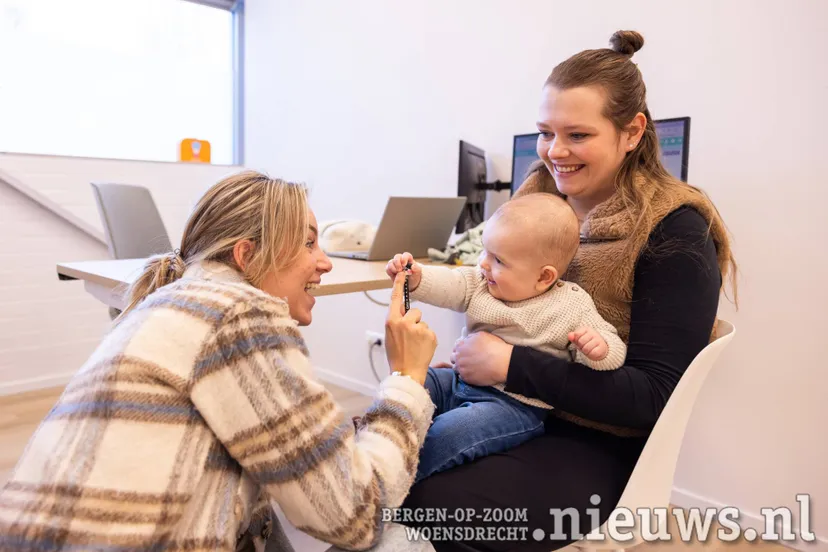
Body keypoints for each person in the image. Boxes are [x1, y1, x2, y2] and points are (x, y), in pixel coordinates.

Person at [398, 30, 738, 552]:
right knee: (386, 445)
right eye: (545, 133)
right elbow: (489, 292)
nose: (555, 152)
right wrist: (476, 362)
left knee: (429, 501)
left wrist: (510, 365)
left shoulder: (675, 231)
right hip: (502, 400)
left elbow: (653, 397)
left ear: (632, 132)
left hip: (598, 440)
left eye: (577, 135)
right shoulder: (536, 194)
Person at [0, 171, 439, 552]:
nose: (325, 262)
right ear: (246, 256)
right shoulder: (238, 314)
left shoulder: (171, 303)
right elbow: (359, 516)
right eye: (308, 243)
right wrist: (407, 377)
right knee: (403, 542)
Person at [385, 193, 627, 482]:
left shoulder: (571, 306)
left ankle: (394, 478)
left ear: (544, 277)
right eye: (485, 252)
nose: (484, 264)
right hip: (458, 381)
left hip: (512, 407)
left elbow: (614, 349)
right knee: (412, 384)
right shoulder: (481, 282)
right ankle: (378, 443)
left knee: (448, 433)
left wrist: (598, 348)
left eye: (498, 259)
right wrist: (417, 278)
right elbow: (451, 284)